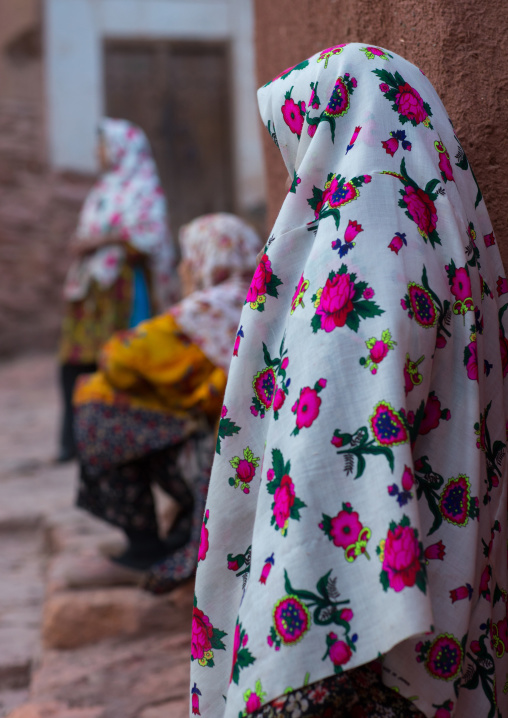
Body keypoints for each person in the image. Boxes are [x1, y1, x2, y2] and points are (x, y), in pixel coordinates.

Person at [190, 44, 508, 718]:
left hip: (359, 642)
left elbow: (329, 436)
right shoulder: (442, 219)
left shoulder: (355, 239)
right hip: (443, 566)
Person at [72, 213, 260, 593]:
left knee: (96, 404)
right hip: (249, 460)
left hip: (226, 467)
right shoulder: (264, 297)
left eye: (188, 256)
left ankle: (142, 549)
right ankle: (177, 531)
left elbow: (120, 358)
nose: (182, 267)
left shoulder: (210, 308)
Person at [57, 118, 175, 461]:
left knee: (117, 360)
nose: (98, 152)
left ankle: (115, 437)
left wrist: (103, 240)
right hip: (89, 292)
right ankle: (73, 441)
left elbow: (149, 239)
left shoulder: (143, 188)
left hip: (121, 290)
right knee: (74, 363)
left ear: (122, 149)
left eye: (103, 144)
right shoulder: (103, 190)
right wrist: (83, 244)